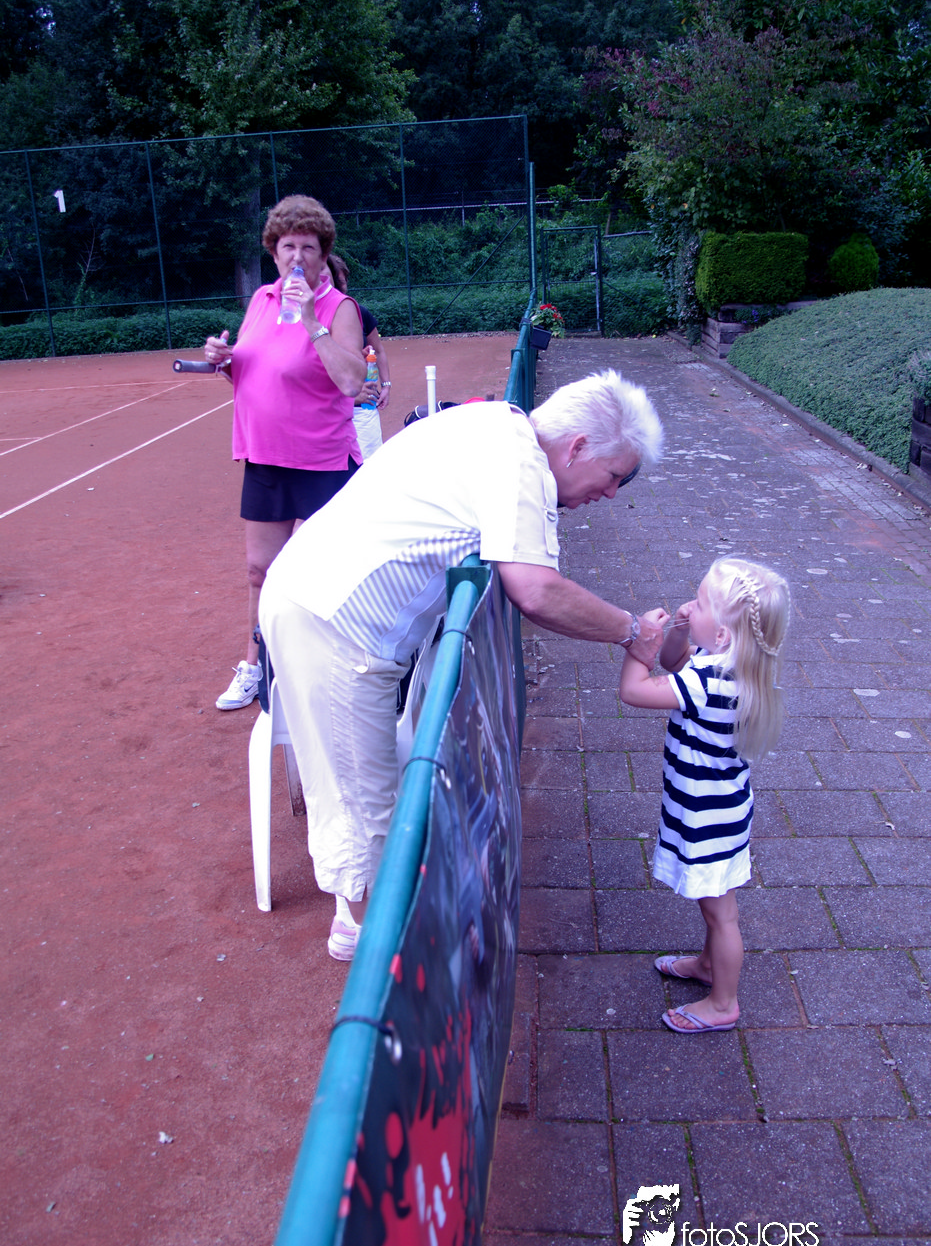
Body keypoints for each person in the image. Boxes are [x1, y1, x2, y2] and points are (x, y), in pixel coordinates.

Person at [258, 370, 666, 960]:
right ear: (578, 446)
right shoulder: (520, 461)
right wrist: (633, 631)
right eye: (613, 476)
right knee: (364, 803)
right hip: (333, 621)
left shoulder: (500, 428)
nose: (609, 494)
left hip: (323, 603)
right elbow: (536, 590)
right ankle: (376, 948)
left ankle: (366, 922)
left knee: (367, 787)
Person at [204, 195, 366, 711]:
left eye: (308, 248)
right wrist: (223, 360)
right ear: (274, 252)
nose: (297, 257)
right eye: (288, 246)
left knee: (328, 573)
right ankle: (255, 666)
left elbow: (351, 381)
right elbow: (252, 370)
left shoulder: (339, 308)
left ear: (323, 256)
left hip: (322, 461)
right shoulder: (261, 300)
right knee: (261, 572)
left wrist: (312, 321)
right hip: (265, 457)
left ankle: (334, 670)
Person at [618, 557, 790, 1033]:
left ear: (722, 635)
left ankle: (723, 1004)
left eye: (698, 603)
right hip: (720, 810)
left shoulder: (706, 682)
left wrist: (639, 643)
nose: (688, 606)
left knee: (721, 915)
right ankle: (709, 966)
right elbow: (676, 663)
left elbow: (634, 691)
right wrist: (677, 630)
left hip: (706, 820)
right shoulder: (729, 668)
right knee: (714, 906)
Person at [327, 253, 391, 460]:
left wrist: (386, 385)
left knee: (369, 466)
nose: (339, 287)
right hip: (327, 413)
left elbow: (378, 350)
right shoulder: (309, 318)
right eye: (334, 281)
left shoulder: (359, 312)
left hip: (363, 408)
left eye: (342, 281)